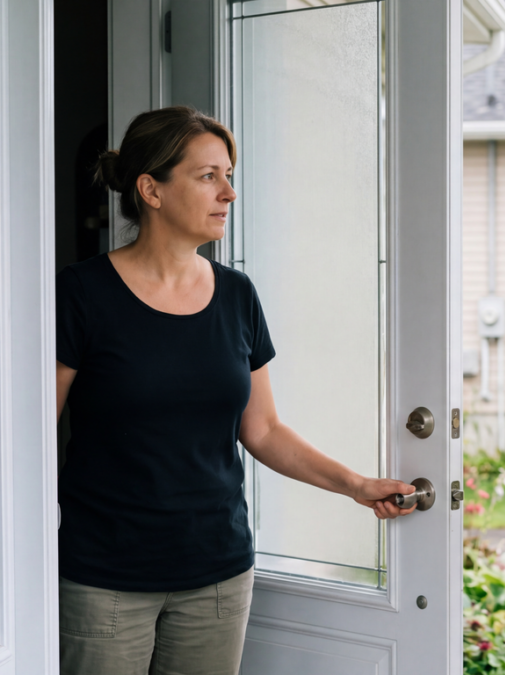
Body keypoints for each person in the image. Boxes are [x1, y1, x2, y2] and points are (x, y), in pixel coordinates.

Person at [55, 106, 416, 675]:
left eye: (229, 176)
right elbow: (29, 434)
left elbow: (263, 430)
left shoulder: (237, 295)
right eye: (208, 177)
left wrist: (355, 485)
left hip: (217, 578)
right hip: (106, 580)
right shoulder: (80, 294)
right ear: (151, 189)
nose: (229, 193)